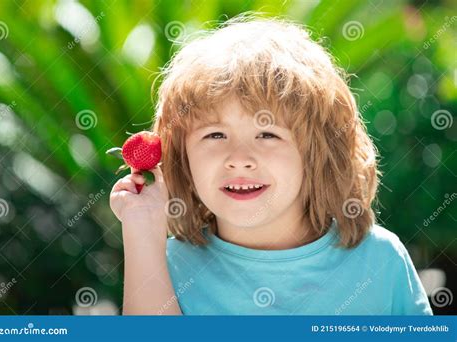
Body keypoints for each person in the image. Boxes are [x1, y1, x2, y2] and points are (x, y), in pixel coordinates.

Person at [110, 16, 432, 315]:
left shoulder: (379, 262)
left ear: (317, 152)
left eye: (266, 133)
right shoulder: (165, 266)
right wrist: (142, 226)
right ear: (182, 156)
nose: (239, 158)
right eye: (215, 134)